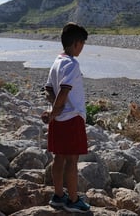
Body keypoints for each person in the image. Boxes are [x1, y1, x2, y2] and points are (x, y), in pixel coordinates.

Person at [42, 22, 90, 213]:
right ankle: (73, 199)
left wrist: (54, 111)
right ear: (77, 43)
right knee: (72, 160)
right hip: (72, 118)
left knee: (59, 157)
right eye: (83, 44)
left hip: (59, 120)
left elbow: (48, 89)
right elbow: (64, 90)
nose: (82, 49)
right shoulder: (71, 64)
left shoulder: (56, 62)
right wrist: (56, 111)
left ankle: (58, 195)